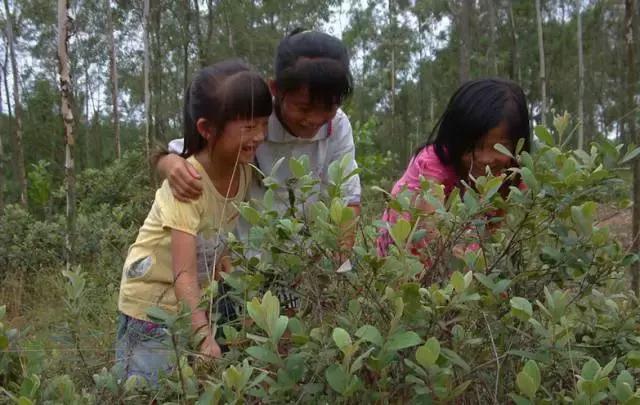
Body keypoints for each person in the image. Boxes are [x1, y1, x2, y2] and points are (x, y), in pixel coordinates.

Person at [116, 60, 272, 382]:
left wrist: (241, 296)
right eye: (248, 127)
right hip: (151, 304)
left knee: (191, 383)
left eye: (263, 124)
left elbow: (217, 237)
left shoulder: (242, 172)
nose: (259, 136)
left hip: (190, 302)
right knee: (149, 388)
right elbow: (183, 273)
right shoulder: (188, 182)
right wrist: (203, 335)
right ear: (206, 128)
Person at [156, 29, 361, 251]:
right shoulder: (254, 120)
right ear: (275, 89)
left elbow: (348, 200)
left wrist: (340, 267)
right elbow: (182, 155)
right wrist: (169, 164)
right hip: (242, 262)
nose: (314, 119)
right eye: (303, 108)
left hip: (301, 261)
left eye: (329, 108)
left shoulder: (338, 126)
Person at [377, 78, 531, 258]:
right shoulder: (433, 164)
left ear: (516, 145)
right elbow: (429, 235)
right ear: (456, 138)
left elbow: (495, 236)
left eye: (498, 147)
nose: (485, 159)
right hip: (403, 257)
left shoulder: (513, 174)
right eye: (474, 146)